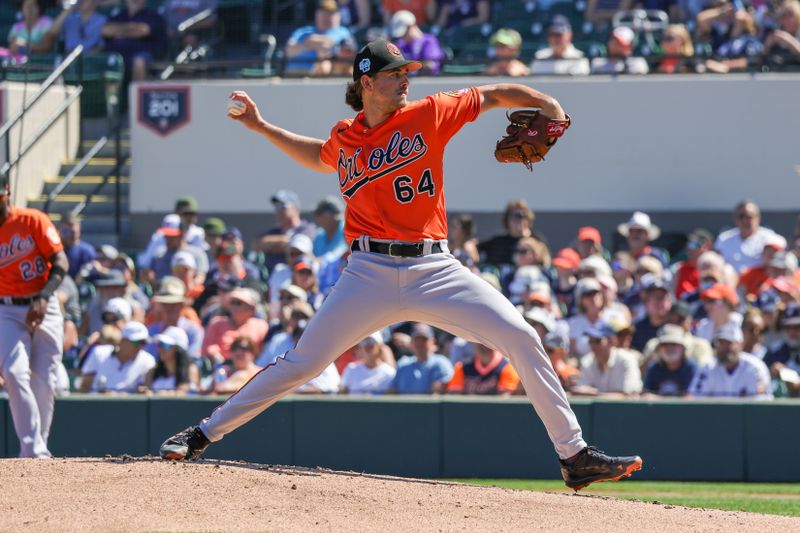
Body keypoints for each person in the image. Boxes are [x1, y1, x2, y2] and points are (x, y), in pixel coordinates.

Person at [159, 39, 643, 491]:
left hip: (435, 268)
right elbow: (318, 156)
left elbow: (497, 92)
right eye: (395, 74)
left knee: (521, 336)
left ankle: (574, 456)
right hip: (366, 272)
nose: (406, 80)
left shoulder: (430, 113)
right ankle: (202, 434)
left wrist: (549, 105)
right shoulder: (345, 137)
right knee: (303, 362)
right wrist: (263, 128)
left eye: (407, 72)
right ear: (367, 82)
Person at [0, 172, 68, 458]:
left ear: (7, 192)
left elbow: (60, 262)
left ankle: (38, 449)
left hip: (44, 303)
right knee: (14, 374)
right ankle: (32, 451)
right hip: (6, 309)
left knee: (43, 379)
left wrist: (43, 296)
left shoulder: (32, 220)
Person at [689, 323, 772, 399]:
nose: (724, 348)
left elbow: (762, 404)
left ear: (740, 344)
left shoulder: (755, 368)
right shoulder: (708, 368)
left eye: (729, 343)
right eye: (721, 343)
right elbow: (696, 401)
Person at [284, 0, 357, 77]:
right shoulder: (303, 31)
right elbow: (289, 51)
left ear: (338, 17)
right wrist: (309, 42)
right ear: (316, 15)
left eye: (330, 14)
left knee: (324, 63)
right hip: (293, 74)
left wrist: (306, 43)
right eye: (323, 13)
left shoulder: (341, 31)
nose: (326, 17)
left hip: (320, 76)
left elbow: (325, 44)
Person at [251, 189, 317, 272]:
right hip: (272, 279)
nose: (279, 211)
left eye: (283, 207)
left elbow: (299, 246)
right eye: (276, 207)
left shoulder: (307, 228)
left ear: (295, 208)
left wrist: (270, 246)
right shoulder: (275, 231)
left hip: (299, 276)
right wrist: (283, 242)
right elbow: (256, 244)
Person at [102, 0, 167, 82]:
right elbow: (105, 30)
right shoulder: (119, 16)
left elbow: (143, 31)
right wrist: (131, 27)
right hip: (117, 55)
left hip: (143, 55)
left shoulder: (153, 16)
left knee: (139, 61)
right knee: (103, 60)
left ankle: (136, 94)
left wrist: (118, 32)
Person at [572, 323, 643, 397]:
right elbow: (581, 393)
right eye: (590, 341)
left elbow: (628, 397)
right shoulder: (587, 361)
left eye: (597, 341)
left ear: (611, 341)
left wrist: (595, 394)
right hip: (598, 408)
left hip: (626, 408)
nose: (593, 346)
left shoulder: (626, 360)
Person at [715, 200, 785, 274]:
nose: (745, 221)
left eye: (749, 217)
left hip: (758, 282)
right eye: (741, 217)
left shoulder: (771, 239)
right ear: (735, 219)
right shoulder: (724, 239)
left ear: (758, 218)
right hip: (731, 282)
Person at [88, 321, 156, 393]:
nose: (140, 347)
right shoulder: (99, 353)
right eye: (136, 342)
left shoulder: (148, 361)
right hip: (97, 403)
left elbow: (146, 390)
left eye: (143, 343)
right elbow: (84, 386)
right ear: (123, 341)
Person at [478, 199, 537, 268]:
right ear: (507, 220)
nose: (520, 220)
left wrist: (527, 239)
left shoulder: (537, 241)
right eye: (515, 216)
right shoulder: (497, 242)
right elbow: (476, 247)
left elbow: (544, 261)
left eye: (523, 215)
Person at [642, 326, 698, 397]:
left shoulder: (691, 368)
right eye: (665, 344)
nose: (669, 348)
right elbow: (646, 395)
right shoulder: (653, 368)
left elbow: (690, 398)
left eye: (674, 344)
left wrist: (659, 399)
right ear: (658, 349)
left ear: (683, 348)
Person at [446, 342, 520, 395]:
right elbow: (454, 397)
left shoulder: (507, 367)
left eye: (486, 341)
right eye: (479, 341)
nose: (482, 345)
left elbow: (505, 401)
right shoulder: (461, 367)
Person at [142, 326, 199, 394]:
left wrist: (162, 394)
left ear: (178, 349)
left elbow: (188, 394)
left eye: (165, 345)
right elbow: (146, 391)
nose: (160, 349)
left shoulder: (191, 370)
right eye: (160, 344)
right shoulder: (152, 371)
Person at [390, 10, 445, 76]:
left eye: (404, 34)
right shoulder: (401, 44)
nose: (402, 37)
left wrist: (411, 68)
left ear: (411, 26)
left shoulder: (428, 41)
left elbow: (432, 66)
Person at [59, 212, 96, 280]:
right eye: (65, 231)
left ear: (79, 229)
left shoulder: (87, 251)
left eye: (73, 232)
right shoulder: (55, 250)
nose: (69, 235)